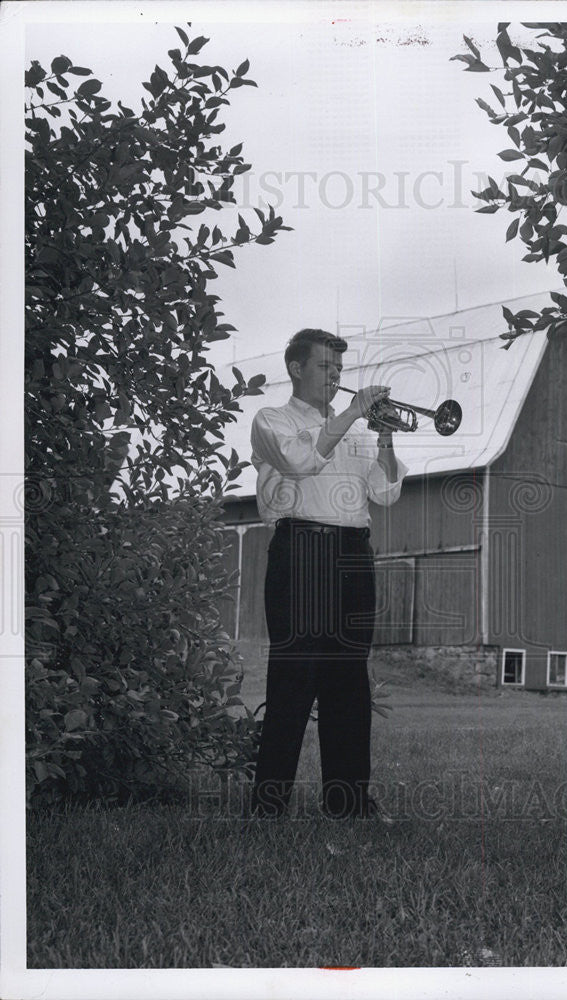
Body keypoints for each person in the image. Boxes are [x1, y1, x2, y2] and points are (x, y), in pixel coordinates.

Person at [249, 328, 407, 820]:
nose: (335, 377)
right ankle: (269, 806)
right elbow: (300, 461)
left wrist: (384, 438)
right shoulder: (272, 420)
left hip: (353, 554)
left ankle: (349, 802)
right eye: (325, 367)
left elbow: (385, 494)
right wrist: (353, 412)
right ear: (296, 368)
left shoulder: (356, 429)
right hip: (302, 551)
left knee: (349, 684)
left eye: (339, 369)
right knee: (293, 680)